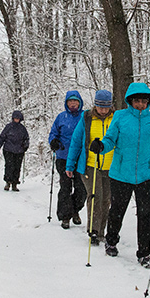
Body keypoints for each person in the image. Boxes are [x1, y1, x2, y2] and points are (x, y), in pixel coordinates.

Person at [90, 82, 150, 267]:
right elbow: (110, 139)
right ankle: (111, 241)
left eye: (144, 101)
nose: (141, 104)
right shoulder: (120, 117)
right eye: (137, 101)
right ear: (130, 101)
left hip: (145, 175)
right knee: (117, 211)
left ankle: (144, 253)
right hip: (121, 174)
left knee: (146, 214)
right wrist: (101, 146)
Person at [65, 89, 115, 245]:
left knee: (106, 200)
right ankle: (93, 231)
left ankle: (101, 231)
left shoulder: (116, 119)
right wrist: (70, 164)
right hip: (90, 165)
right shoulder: (86, 118)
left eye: (106, 107)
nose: (103, 110)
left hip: (110, 166)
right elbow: (76, 141)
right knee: (95, 197)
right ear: (95, 105)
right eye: (100, 107)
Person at [48, 90, 86, 229]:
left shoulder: (85, 116)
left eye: (75, 101)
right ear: (66, 103)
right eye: (70, 101)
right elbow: (53, 133)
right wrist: (54, 141)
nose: (73, 103)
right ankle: (65, 216)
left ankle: (75, 210)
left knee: (81, 188)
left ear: (80, 102)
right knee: (65, 187)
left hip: (81, 158)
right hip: (63, 156)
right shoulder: (61, 117)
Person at [0, 110, 29, 191]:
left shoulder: (22, 128)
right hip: (8, 149)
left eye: (18, 118)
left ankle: (15, 183)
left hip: (19, 151)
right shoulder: (8, 127)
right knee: (9, 166)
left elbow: (26, 138)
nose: (16, 120)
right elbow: (2, 137)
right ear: (13, 118)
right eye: (15, 118)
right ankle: (8, 182)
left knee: (17, 167)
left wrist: (26, 145)